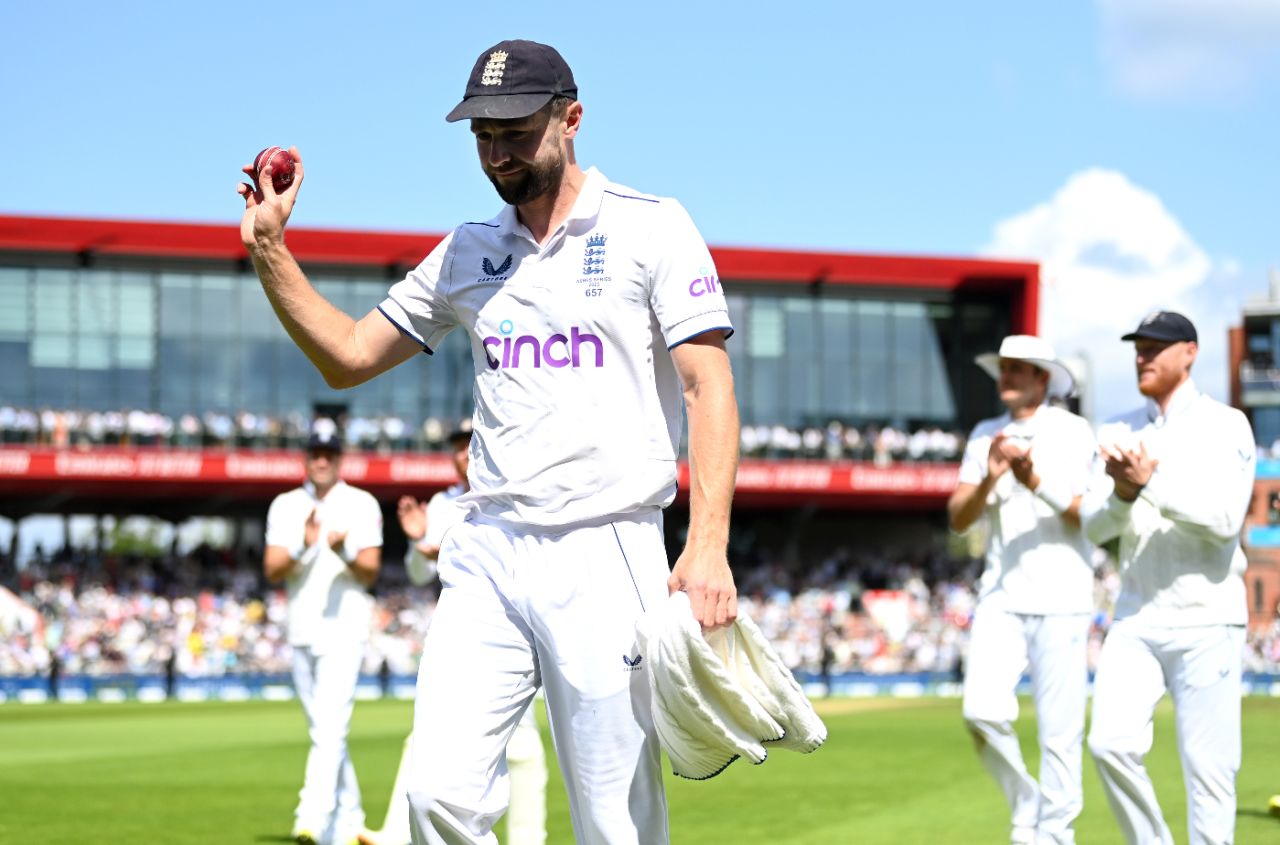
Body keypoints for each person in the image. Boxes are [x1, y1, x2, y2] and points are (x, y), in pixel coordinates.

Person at [237, 38, 740, 845]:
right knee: (434, 793)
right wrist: (269, 248)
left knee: (617, 823)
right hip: (489, 548)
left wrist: (708, 544)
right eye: (481, 134)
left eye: (514, 130)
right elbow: (350, 355)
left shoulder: (653, 226)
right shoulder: (469, 250)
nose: (497, 151)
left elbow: (706, 386)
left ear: (571, 119)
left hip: (606, 543)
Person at [1082, 311, 1254, 845]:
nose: (1142, 356)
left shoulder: (1227, 424)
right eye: (1137, 347)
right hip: (1136, 616)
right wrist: (1124, 494)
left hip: (1208, 619)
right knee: (1108, 744)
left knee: (1209, 772)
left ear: (1190, 352)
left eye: (1155, 346)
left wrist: (1148, 484)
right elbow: (1094, 525)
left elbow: (1224, 523)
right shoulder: (1116, 428)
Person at [359, 423, 548, 845]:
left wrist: (435, 546)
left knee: (523, 745)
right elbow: (418, 572)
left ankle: (529, 838)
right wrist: (416, 543)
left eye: (469, 446)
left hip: (516, 628)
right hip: (462, 625)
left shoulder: (512, 489)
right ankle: (395, 834)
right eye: (456, 449)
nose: (463, 455)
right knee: (430, 738)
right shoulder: (444, 503)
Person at [947, 335, 1096, 845]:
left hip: (1065, 596)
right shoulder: (985, 434)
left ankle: (1055, 836)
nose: (1006, 377)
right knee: (980, 711)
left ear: (1043, 379)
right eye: (1004, 368)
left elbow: (1089, 515)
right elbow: (959, 517)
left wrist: (1033, 480)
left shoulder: (1075, 433)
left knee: (1061, 733)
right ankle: (1026, 803)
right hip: (1002, 594)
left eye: (1018, 369)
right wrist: (990, 479)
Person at [263, 429, 384, 845]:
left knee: (330, 726)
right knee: (325, 729)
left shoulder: (360, 503)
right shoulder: (286, 505)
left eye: (328, 453)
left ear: (339, 458)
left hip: (345, 625)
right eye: (315, 452)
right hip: (301, 627)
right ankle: (350, 822)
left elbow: (370, 569)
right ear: (306, 458)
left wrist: (342, 550)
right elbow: (273, 568)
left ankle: (310, 817)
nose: (321, 460)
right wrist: (304, 544)